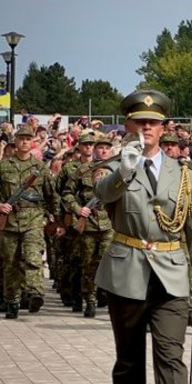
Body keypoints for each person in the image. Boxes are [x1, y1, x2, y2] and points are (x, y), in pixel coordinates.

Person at [94, 90, 192, 384]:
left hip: (171, 272)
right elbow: (102, 195)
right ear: (128, 125)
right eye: (139, 121)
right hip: (127, 270)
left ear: (164, 128)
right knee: (129, 360)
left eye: (154, 122)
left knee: (171, 356)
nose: (146, 128)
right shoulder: (115, 168)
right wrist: (125, 172)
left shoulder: (185, 176)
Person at [0, 125, 58, 318]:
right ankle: (12, 301)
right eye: (21, 139)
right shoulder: (2, 166)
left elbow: (52, 196)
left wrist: (56, 220)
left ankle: (35, 292)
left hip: (34, 219)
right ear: (15, 141)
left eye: (28, 139)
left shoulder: (40, 169)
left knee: (32, 257)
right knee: (10, 262)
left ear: (32, 142)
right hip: (9, 221)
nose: (24, 142)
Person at [61, 132, 113, 317]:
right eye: (100, 147)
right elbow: (67, 194)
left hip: (110, 224)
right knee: (88, 263)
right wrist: (77, 209)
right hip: (88, 224)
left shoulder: (117, 171)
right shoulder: (82, 171)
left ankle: (106, 296)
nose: (104, 151)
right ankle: (89, 300)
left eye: (107, 148)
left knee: (107, 262)